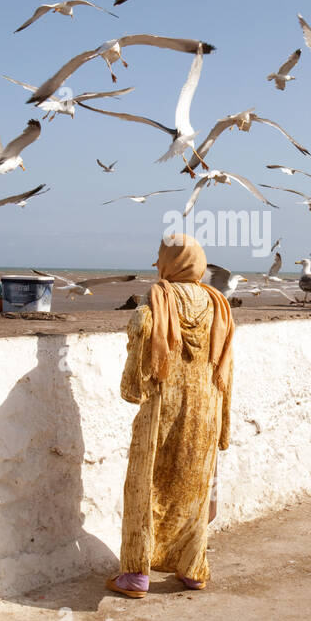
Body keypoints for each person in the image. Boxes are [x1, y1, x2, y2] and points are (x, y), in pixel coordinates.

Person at [107, 233, 233, 598]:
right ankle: (193, 569)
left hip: (163, 410)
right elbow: (227, 366)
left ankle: (135, 574)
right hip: (204, 411)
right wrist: (223, 421)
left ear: (169, 262)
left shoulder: (159, 297)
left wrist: (134, 383)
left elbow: (141, 328)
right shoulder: (218, 304)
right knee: (195, 489)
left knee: (146, 486)